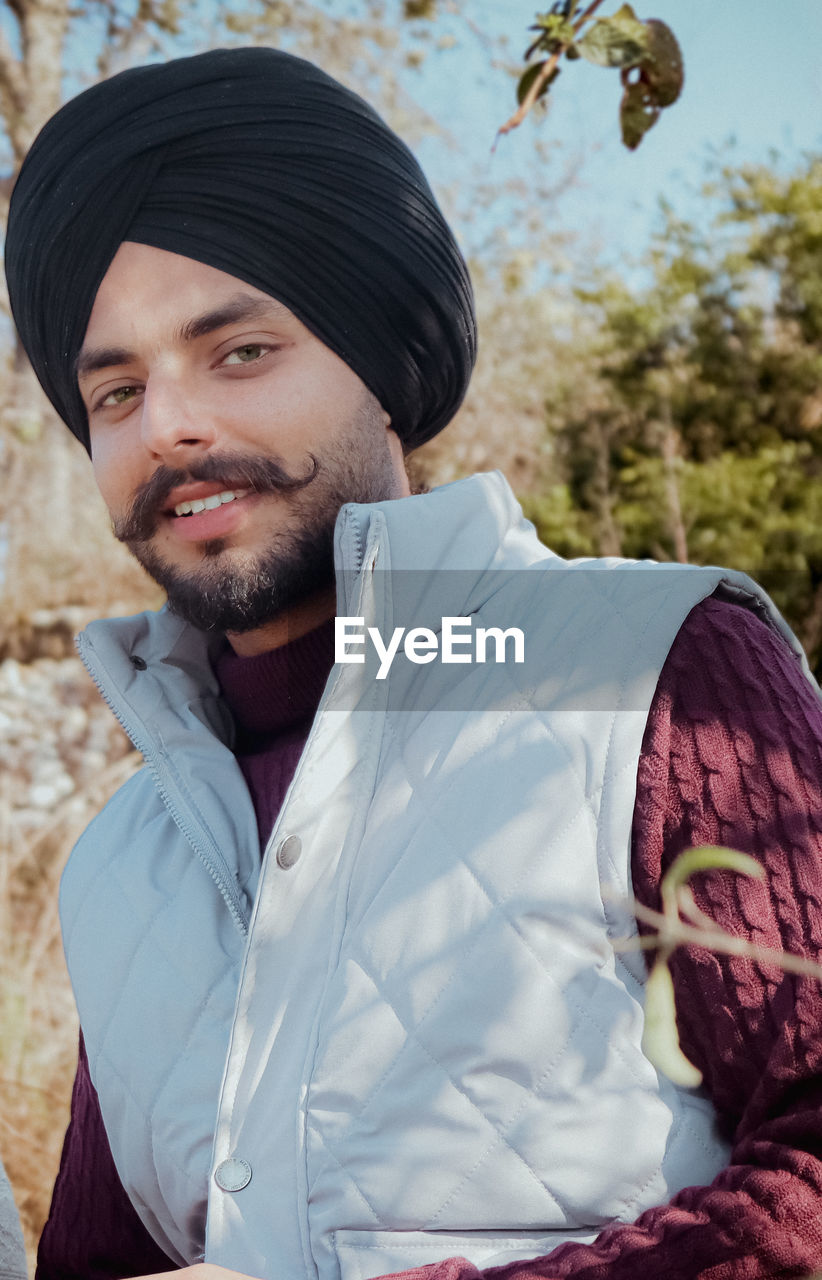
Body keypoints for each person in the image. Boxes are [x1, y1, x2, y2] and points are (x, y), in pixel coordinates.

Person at [5, 46, 822, 1280]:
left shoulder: (648, 670)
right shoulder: (129, 857)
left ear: (386, 369)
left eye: (240, 353)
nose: (167, 424)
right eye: (113, 389)